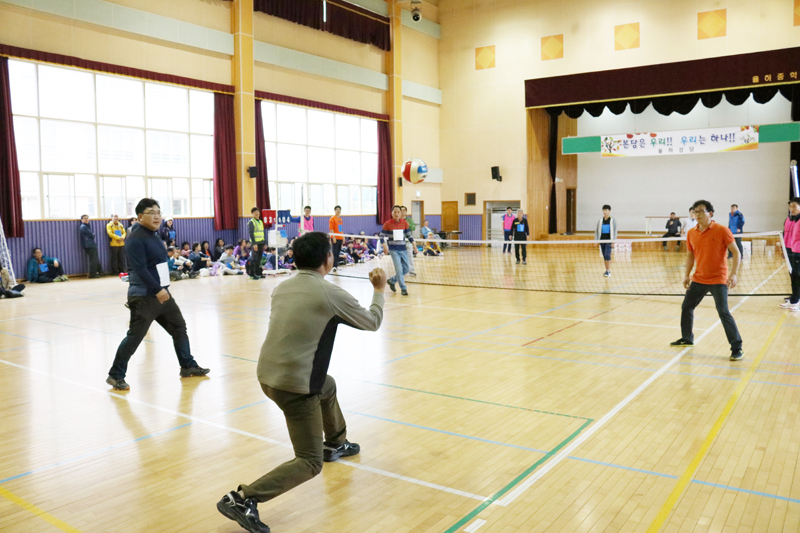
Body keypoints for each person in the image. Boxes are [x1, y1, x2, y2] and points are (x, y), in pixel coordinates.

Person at [216, 232, 386, 533]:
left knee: (327, 386)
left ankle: (336, 443)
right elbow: (372, 322)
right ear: (327, 258)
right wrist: (379, 290)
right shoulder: (330, 293)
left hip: (267, 375)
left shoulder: (281, 287)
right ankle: (243, 498)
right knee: (309, 461)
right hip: (295, 386)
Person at [106, 198, 209, 391]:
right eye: (151, 213)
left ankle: (188, 365)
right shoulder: (135, 238)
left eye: (158, 212)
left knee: (179, 327)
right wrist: (157, 289)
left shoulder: (153, 235)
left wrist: (163, 289)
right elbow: (140, 268)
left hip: (162, 294)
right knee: (135, 337)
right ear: (140, 216)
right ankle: (115, 375)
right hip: (145, 296)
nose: (156, 216)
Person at [670, 200, 744, 361]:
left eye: (700, 211)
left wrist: (734, 274)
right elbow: (690, 256)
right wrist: (686, 275)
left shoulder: (722, 230)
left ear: (710, 213)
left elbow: (736, 252)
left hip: (718, 279)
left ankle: (736, 347)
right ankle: (687, 338)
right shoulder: (691, 233)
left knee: (723, 312)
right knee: (686, 307)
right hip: (699, 278)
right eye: (695, 211)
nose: (697, 214)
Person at [381, 205, 414, 296]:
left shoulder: (405, 223)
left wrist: (414, 245)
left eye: (398, 212)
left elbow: (409, 235)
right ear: (391, 213)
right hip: (393, 249)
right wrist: (384, 246)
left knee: (406, 269)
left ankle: (392, 280)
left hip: (403, 249)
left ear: (401, 213)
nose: (396, 214)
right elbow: (381, 236)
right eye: (394, 212)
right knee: (399, 269)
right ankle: (403, 288)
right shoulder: (387, 224)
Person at [781, 198, 800, 310]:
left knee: (797, 276)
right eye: (790, 206)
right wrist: (785, 249)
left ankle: (797, 300)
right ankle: (794, 299)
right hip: (792, 250)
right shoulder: (792, 220)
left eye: (794, 206)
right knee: (794, 275)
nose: (792, 209)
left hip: (798, 252)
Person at [595, 205, 617, 278]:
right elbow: (597, 231)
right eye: (604, 210)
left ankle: (608, 270)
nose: (605, 212)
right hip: (602, 240)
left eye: (606, 210)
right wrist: (596, 240)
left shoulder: (612, 220)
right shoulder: (600, 220)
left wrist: (613, 241)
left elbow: (615, 231)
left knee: (607, 255)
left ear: (609, 211)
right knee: (604, 256)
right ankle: (606, 270)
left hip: (609, 240)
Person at [247, 207, 266, 280]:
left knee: (259, 259)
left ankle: (258, 273)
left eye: (257, 212)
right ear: (252, 214)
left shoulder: (260, 221)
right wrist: (254, 243)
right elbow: (251, 233)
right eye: (255, 212)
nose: (256, 213)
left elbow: (262, 233)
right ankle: (251, 274)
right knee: (254, 259)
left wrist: (264, 242)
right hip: (255, 243)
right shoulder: (251, 222)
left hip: (261, 242)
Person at [401, 206, 417, 276]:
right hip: (400, 242)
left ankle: (411, 271)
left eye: (404, 211)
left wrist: (407, 223)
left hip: (408, 241)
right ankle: (403, 271)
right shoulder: (397, 220)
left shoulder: (409, 220)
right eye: (401, 211)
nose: (403, 212)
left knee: (410, 256)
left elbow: (413, 228)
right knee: (401, 258)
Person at [329, 205, 344, 272]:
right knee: (334, 252)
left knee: (338, 252)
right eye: (337, 210)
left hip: (340, 237)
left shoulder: (340, 219)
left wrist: (343, 237)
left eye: (339, 210)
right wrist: (334, 237)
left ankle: (336, 266)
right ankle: (333, 266)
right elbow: (331, 229)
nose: (338, 211)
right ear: (335, 210)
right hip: (335, 238)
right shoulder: (332, 219)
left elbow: (340, 229)